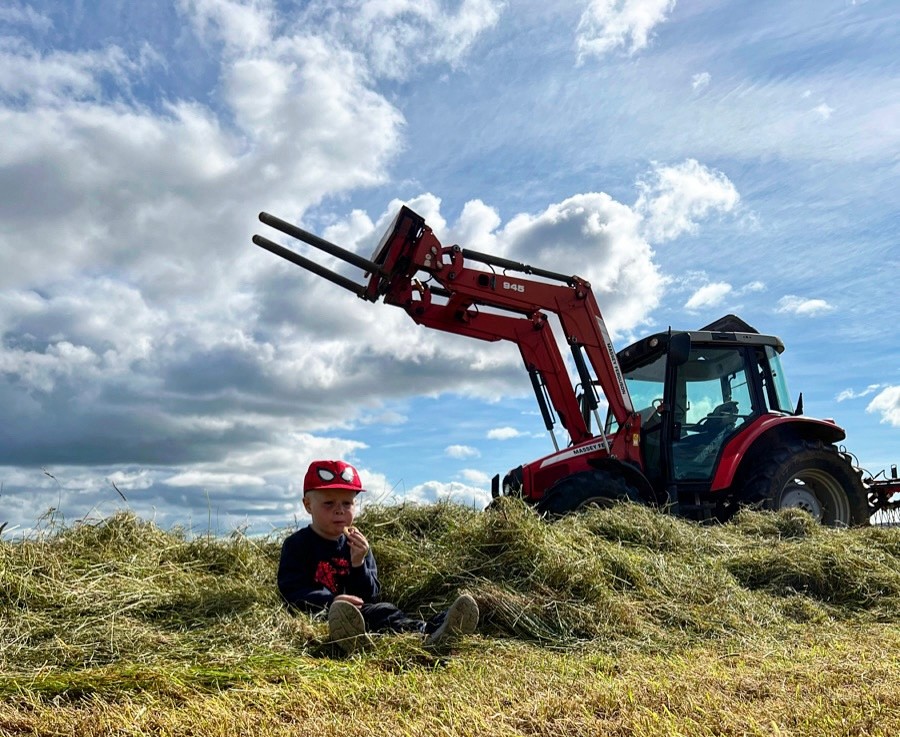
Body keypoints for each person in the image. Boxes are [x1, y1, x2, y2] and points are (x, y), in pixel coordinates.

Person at [277, 459, 479, 653]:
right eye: (329, 503)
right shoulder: (297, 545)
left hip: (361, 614)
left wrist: (359, 563)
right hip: (320, 615)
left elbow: (370, 596)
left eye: (347, 504)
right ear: (308, 505)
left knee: (383, 612)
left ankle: (440, 627)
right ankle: (422, 633)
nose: (339, 511)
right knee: (380, 613)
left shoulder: (357, 544)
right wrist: (333, 601)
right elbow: (292, 591)